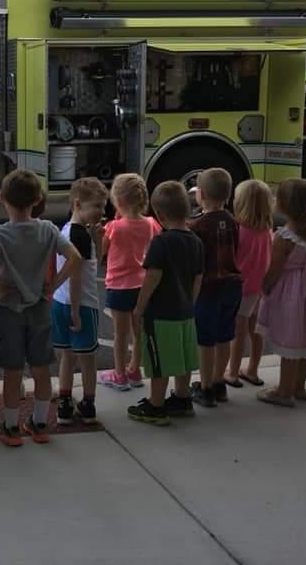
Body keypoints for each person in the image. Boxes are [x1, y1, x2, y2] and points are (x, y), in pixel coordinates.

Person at [0, 169, 81, 446]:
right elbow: (74, 257)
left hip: (10, 308)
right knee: (41, 367)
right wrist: (53, 285)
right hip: (39, 305)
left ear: (1, 197)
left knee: (12, 370)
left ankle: (11, 425)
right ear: (37, 198)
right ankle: (39, 422)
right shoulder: (48, 229)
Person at [128, 181, 203, 425]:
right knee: (183, 358)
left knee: (158, 359)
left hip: (160, 313)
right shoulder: (196, 241)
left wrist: (139, 307)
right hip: (185, 311)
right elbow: (198, 277)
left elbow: (153, 276)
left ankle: (156, 405)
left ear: (159, 214)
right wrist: (190, 302)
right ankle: (182, 398)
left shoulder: (161, 242)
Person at [256, 179, 306, 407]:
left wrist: (264, 287)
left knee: (289, 341)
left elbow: (275, 270)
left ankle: (283, 391)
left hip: (289, 293)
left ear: (286, 205)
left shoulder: (284, 237)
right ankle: (299, 387)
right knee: (304, 340)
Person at [98, 173, 161, 391]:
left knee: (120, 334)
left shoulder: (114, 227)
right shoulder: (152, 224)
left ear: (119, 201)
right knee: (139, 331)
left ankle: (119, 374)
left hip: (118, 286)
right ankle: (135, 369)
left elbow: (101, 252)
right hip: (142, 286)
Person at [53, 178, 107, 426]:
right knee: (87, 358)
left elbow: (92, 262)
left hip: (60, 302)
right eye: (96, 205)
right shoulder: (79, 236)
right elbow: (77, 276)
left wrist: (96, 238)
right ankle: (88, 402)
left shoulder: (66, 230)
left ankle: (64, 402)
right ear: (78, 203)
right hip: (81, 304)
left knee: (66, 356)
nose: (101, 211)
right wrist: (76, 311)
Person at [188, 168, 243, 407]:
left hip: (208, 287)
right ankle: (219, 381)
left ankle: (206, 386)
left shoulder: (198, 225)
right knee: (224, 336)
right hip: (231, 285)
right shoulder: (232, 221)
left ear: (201, 195)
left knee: (206, 340)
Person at [224, 180, 274, 388]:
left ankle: (233, 371)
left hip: (240, 288)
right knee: (255, 331)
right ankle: (252, 369)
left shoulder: (238, 231)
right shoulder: (267, 231)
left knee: (238, 330)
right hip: (258, 288)